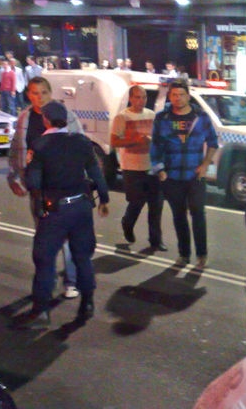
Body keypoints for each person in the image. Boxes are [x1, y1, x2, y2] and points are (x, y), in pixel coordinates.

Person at [14, 102, 110, 329]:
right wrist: (104, 198)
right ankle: (87, 303)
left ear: (46, 119)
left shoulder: (40, 145)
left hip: (55, 210)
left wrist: (37, 197)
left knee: (45, 260)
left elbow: (34, 182)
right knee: (82, 258)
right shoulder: (81, 142)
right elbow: (96, 171)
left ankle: (41, 313)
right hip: (81, 208)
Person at [8, 77, 84, 298]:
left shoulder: (66, 117)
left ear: (51, 94)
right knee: (44, 236)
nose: (38, 98)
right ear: (28, 95)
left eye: (43, 93)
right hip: (38, 188)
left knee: (67, 237)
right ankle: (47, 282)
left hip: (63, 187)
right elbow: (16, 149)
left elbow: (81, 147)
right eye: (33, 93)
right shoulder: (24, 117)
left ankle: (71, 281)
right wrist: (15, 176)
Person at [150, 80, 218, 268]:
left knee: (198, 213)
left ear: (188, 96)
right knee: (178, 215)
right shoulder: (162, 118)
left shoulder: (201, 117)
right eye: (174, 95)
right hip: (171, 177)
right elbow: (155, 146)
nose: (178, 98)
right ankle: (184, 254)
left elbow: (213, 143)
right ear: (169, 97)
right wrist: (159, 170)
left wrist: (205, 165)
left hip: (195, 176)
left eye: (181, 94)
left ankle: (202, 254)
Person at [111, 85, 166, 251]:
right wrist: (136, 141)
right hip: (132, 167)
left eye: (143, 97)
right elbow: (114, 142)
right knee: (136, 202)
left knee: (156, 205)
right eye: (137, 97)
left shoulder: (152, 115)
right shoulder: (122, 117)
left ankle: (155, 240)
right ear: (130, 98)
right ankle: (127, 223)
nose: (141, 101)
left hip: (151, 167)